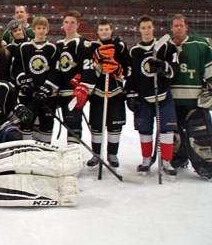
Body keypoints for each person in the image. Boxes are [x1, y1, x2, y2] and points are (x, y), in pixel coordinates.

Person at [169, 14, 212, 179]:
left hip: (194, 102)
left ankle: (208, 167)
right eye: (175, 25)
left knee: (201, 136)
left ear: (187, 27)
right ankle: (177, 160)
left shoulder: (200, 44)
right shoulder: (164, 46)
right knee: (174, 136)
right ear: (171, 28)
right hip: (171, 102)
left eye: (181, 25)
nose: (178, 28)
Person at [126, 15, 179, 175]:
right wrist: (131, 94)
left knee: (167, 131)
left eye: (149, 27)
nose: (146, 30)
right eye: (143, 28)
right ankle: (146, 159)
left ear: (153, 28)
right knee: (145, 130)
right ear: (139, 29)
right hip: (144, 98)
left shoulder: (167, 47)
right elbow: (131, 76)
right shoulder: (134, 52)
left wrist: (163, 66)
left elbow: (175, 69)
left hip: (163, 96)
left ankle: (167, 162)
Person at [83, 19, 130, 168]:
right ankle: (96, 154)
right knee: (96, 126)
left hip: (115, 93)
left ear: (111, 30)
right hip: (97, 93)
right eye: (101, 30)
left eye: (106, 29)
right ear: (97, 32)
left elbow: (127, 68)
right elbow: (87, 68)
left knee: (115, 126)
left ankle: (112, 154)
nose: (104, 32)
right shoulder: (91, 47)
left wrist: (117, 70)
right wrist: (96, 56)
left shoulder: (120, 47)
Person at [46, 10, 94, 145]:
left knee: (73, 123)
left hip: (74, 92)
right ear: (62, 24)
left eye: (72, 23)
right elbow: (56, 69)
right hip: (59, 91)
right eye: (66, 22)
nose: (69, 25)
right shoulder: (59, 44)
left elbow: (88, 68)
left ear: (78, 25)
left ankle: (73, 153)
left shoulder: (83, 43)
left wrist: (83, 87)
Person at [11, 16, 57, 142]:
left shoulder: (52, 48)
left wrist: (45, 89)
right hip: (28, 95)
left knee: (46, 124)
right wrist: (24, 81)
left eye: (44, 28)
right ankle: (27, 151)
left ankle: (45, 152)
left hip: (47, 96)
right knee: (27, 122)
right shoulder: (24, 47)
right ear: (33, 29)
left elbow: (55, 71)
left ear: (47, 30)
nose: (41, 31)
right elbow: (16, 68)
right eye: (38, 28)